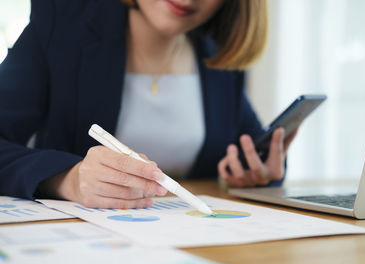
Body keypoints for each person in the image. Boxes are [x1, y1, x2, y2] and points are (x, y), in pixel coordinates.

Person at [0, 0, 297, 209]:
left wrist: (258, 172)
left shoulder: (218, 59)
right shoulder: (61, 25)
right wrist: (67, 179)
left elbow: (248, 151)